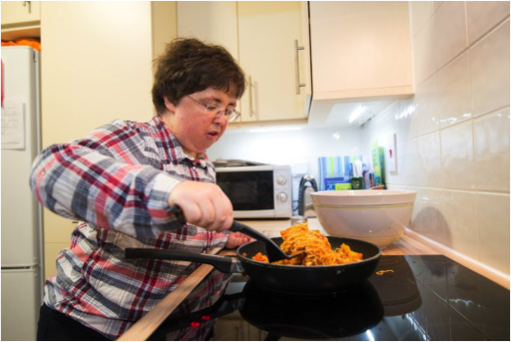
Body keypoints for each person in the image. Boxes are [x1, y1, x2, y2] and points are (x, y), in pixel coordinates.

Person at [31, 38, 250, 341]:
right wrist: (169, 192)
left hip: (161, 325)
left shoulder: (202, 164)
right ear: (170, 99)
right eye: (211, 105)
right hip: (90, 326)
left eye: (229, 109)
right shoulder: (137, 140)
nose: (221, 119)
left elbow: (180, 235)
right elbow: (52, 171)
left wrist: (223, 236)